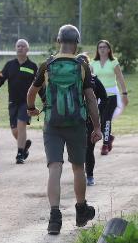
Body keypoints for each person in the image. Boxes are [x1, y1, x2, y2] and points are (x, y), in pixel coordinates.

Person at [27, 24, 103, 235]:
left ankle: (54, 218)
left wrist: (31, 109)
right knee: (78, 167)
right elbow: (90, 98)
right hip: (77, 124)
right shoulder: (82, 66)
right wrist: (96, 126)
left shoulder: (47, 65)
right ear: (76, 43)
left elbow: (31, 92)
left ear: (58, 41)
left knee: (55, 167)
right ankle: (80, 210)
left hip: (53, 124)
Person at [0, 39, 37, 164]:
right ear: (15, 48)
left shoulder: (32, 66)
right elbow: (0, 80)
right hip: (13, 102)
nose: (20, 48)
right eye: (18, 46)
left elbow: (38, 85)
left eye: (23, 46)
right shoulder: (9, 65)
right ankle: (24, 146)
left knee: (21, 124)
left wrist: (45, 99)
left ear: (27, 49)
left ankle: (20, 154)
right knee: (15, 130)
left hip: (27, 102)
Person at [90, 40, 129, 155]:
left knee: (107, 119)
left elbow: (120, 78)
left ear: (108, 50)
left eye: (104, 47)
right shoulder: (93, 63)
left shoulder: (113, 62)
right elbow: (90, 80)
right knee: (98, 120)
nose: (102, 49)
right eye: (100, 47)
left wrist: (125, 94)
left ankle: (105, 144)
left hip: (111, 95)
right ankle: (109, 137)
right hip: (97, 96)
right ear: (97, 50)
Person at [76, 53, 108, 186]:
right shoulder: (71, 80)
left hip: (90, 120)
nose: (82, 65)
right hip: (75, 119)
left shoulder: (94, 80)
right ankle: (78, 173)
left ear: (89, 65)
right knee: (77, 148)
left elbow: (105, 98)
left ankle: (89, 175)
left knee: (89, 148)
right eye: (79, 62)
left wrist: (97, 110)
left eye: (85, 62)